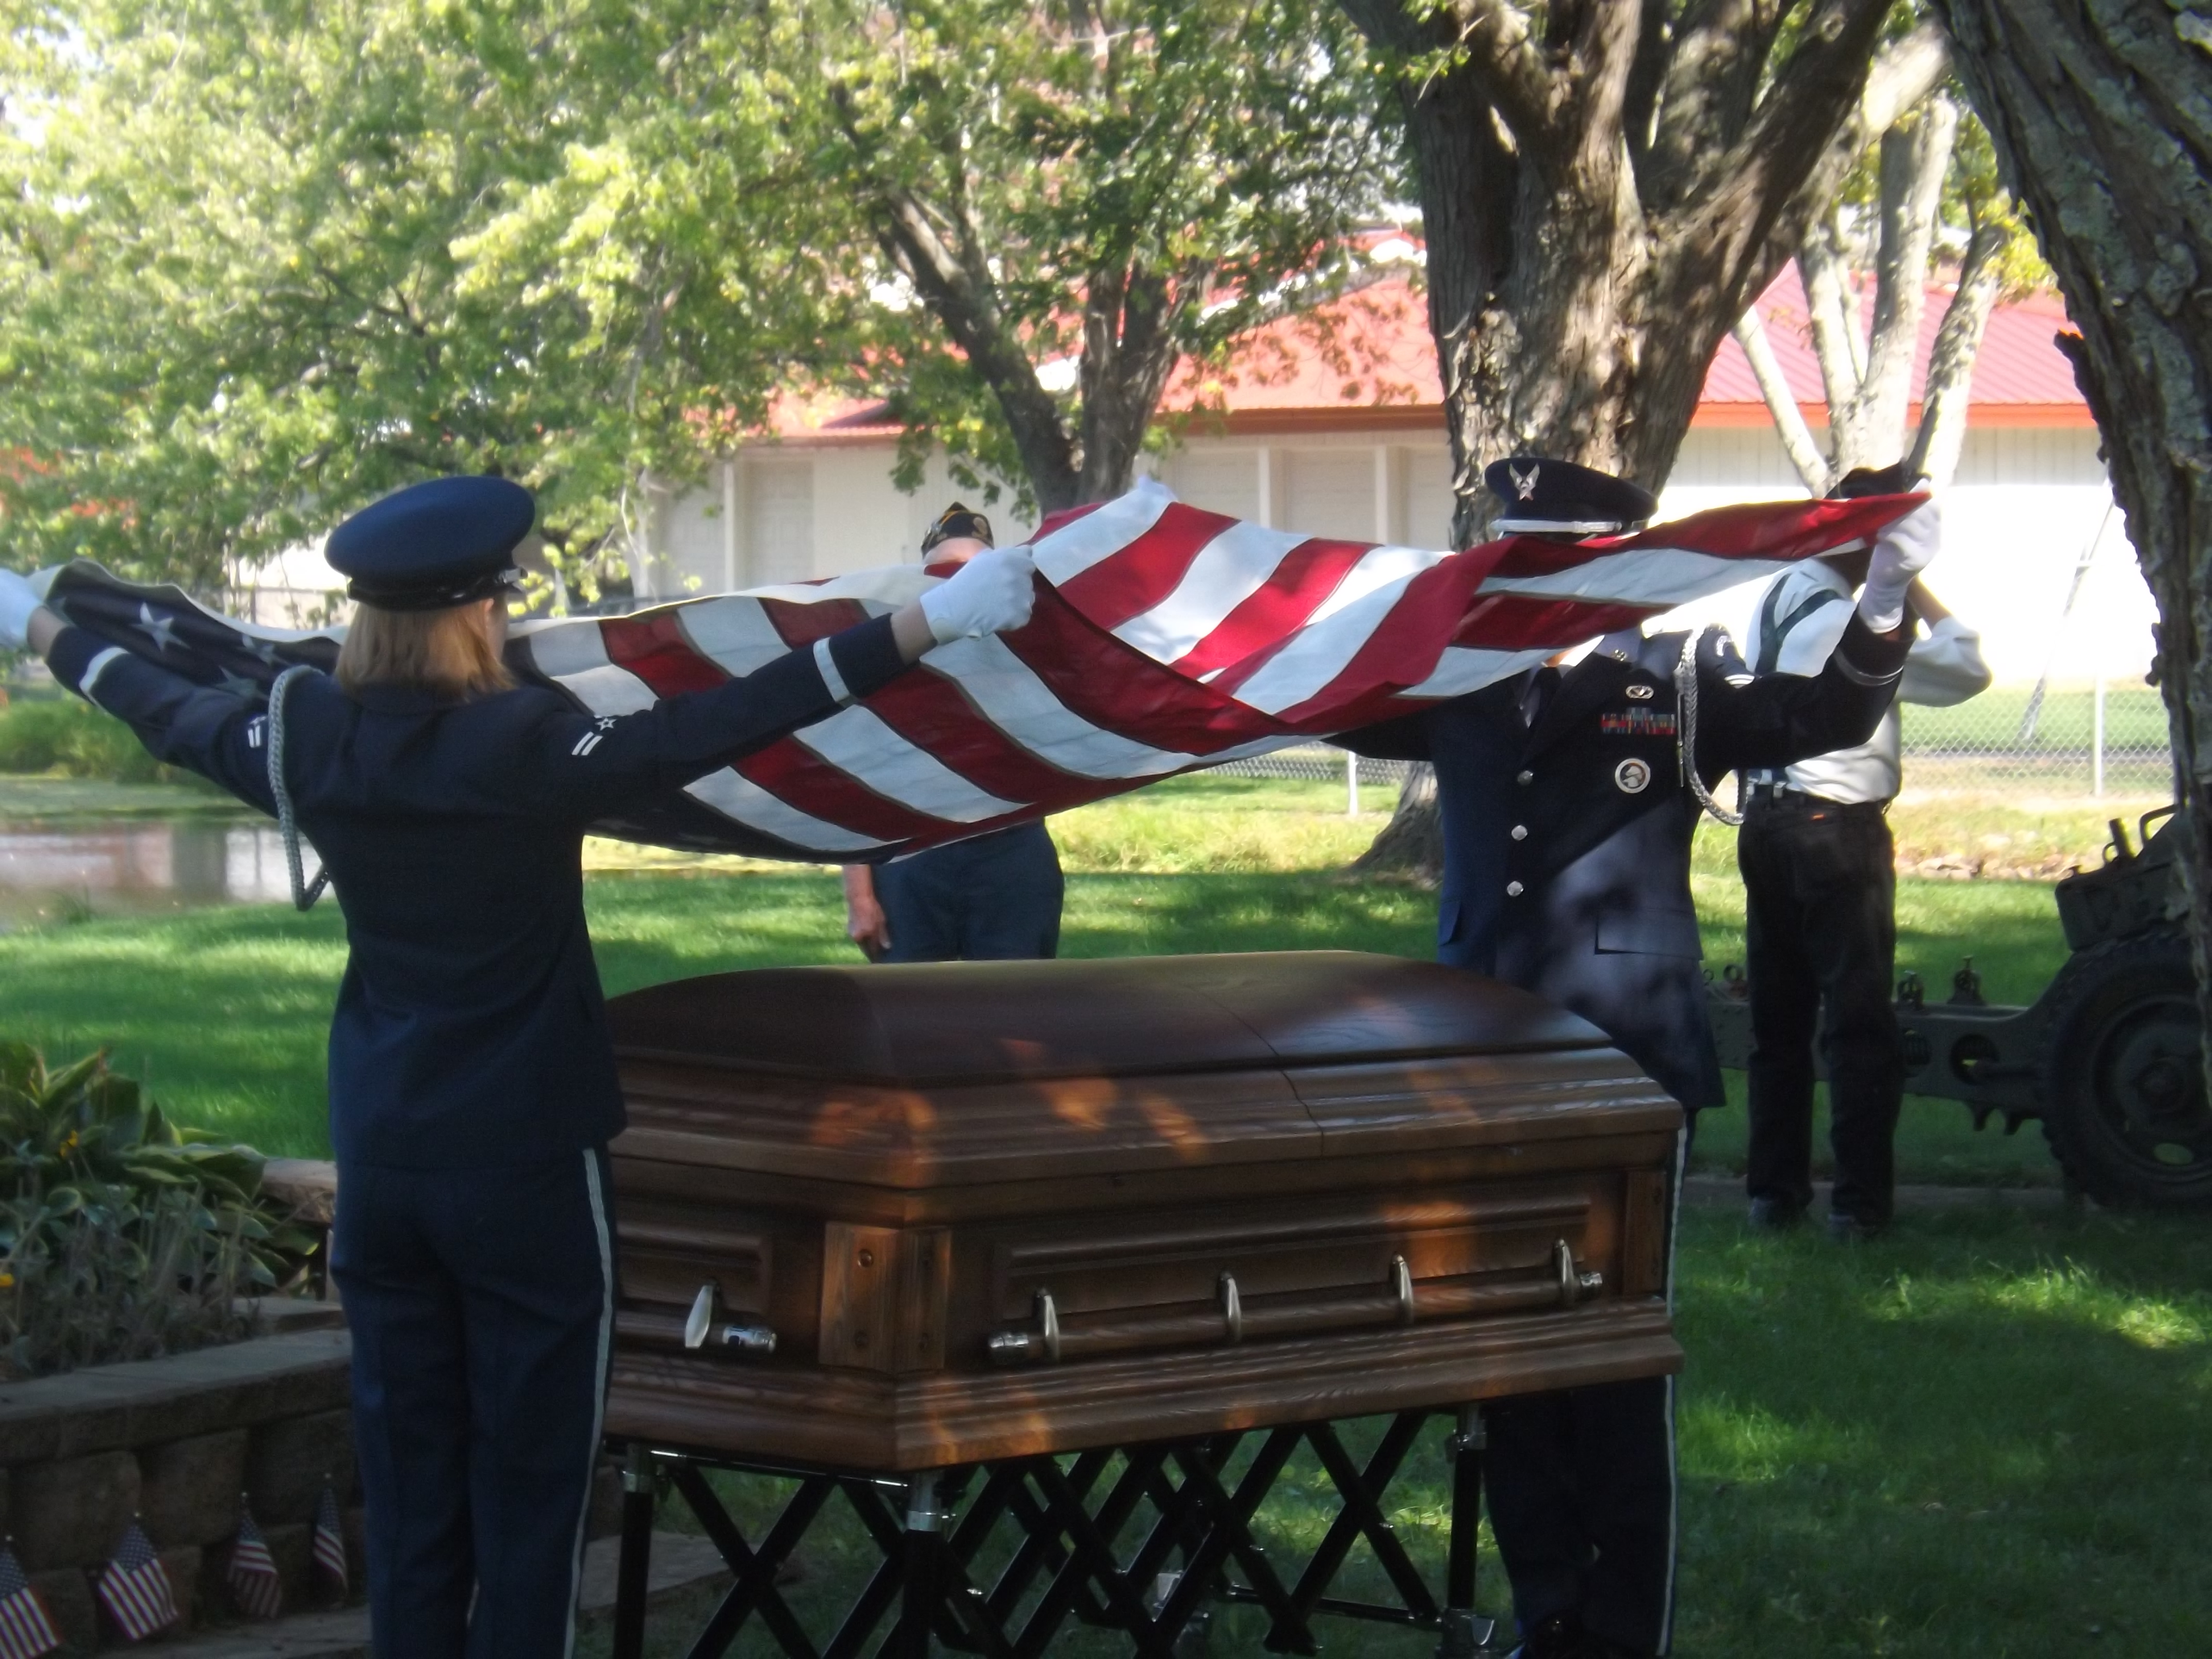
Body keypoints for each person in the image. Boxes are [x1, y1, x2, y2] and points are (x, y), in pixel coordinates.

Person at [0, 476, 1035, 1658]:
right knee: (534, 1490)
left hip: (385, 1169)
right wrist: (922, 623)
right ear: (477, 613)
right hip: (528, 1167)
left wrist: (40, 624)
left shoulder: (308, 735)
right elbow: (722, 718)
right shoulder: (523, 743)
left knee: (407, 1481)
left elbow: (155, 701)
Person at [1339, 456, 1937, 1659]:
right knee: (1504, 1347)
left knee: (1613, 1351)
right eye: (1516, 557)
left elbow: (1819, 716)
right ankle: (1545, 1605)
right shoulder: (1460, 670)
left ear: (1609, 568)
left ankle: (1626, 1629)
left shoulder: (1671, 678)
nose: (1530, 580)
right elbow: (1317, 696)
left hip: (1619, 1060)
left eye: (1553, 561)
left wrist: (1880, 607)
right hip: (1481, 1048)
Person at [1737, 464, 1992, 1241]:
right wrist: (1910, 584)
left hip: (1767, 824)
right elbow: (1969, 669)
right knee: (1858, 1029)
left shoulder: (1780, 600)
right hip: (1836, 831)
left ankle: (1772, 1196)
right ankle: (1859, 1207)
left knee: (1778, 1029)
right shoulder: (1845, 623)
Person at [841, 502, 1065, 963]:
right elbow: (856, 778)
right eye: (947, 571)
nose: (959, 582)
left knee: (1016, 1014)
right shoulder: (882, 656)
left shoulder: (1025, 655)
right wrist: (860, 896)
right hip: (912, 857)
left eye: (973, 571)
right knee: (914, 1016)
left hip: (1011, 856)